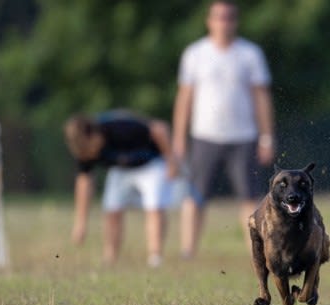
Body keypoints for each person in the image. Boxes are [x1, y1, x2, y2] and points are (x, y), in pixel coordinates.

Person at [171, 0, 275, 258]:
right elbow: (185, 98)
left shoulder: (250, 54)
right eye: (219, 17)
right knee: (195, 196)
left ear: (235, 21)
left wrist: (266, 137)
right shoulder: (195, 54)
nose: (223, 22)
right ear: (209, 20)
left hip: (243, 136)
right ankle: (188, 250)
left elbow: (261, 97)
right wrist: (179, 138)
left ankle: (256, 251)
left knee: (249, 199)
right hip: (205, 135)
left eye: (229, 17)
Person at [64, 110, 173, 267]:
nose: (90, 154)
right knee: (112, 210)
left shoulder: (118, 127)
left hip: (150, 164)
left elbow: (159, 129)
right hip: (121, 170)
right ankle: (110, 256)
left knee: (154, 208)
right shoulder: (84, 149)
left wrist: (171, 161)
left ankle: (155, 256)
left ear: (94, 134)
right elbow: (84, 183)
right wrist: (81, 224)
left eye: (90, 148)